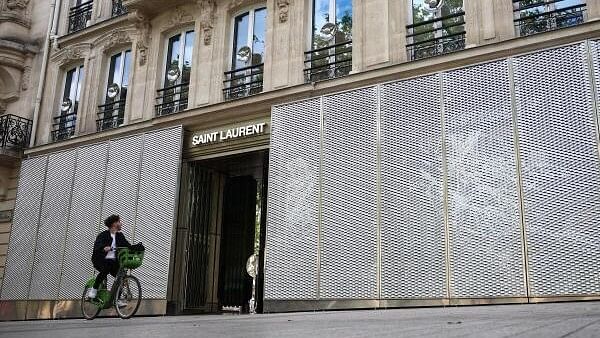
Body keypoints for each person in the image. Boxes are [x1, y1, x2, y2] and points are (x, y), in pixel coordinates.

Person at [87, 214, 131, 302]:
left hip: (113, 262)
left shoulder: (120, 236)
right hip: (100, 259)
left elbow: (127, 246)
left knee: (121, 276)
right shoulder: (103, 235)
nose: (121, 224)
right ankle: (94, 290)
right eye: (119, 222)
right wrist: (104, 247)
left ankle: (116, 300)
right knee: (106, 268)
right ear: (114, 223)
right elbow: (98, 245)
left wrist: (136, 248)